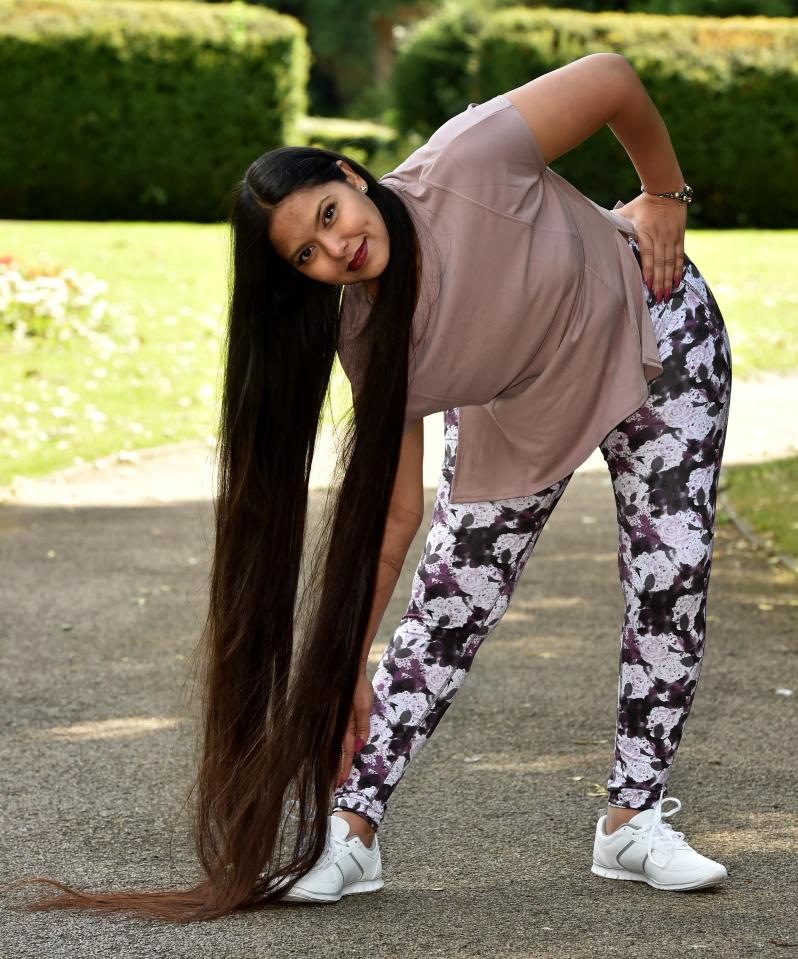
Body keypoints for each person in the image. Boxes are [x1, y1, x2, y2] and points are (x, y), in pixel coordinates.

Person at [15, 52, 731, 922]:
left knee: (672, 578)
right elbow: (395, 514)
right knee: (451, 601)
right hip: (522, 412)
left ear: (352, 176)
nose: (336, 247)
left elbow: (614, 77)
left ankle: (633, 819)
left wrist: (663, 195)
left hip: (656, 333)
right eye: (306, 255)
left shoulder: (468, 159)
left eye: (328, 212)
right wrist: (346, 655)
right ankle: (351, 831)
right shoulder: (368, 341)